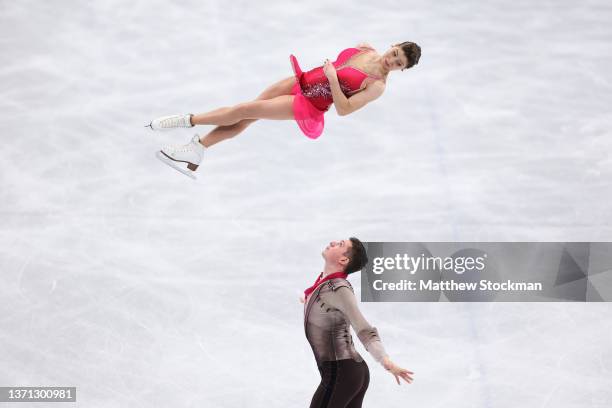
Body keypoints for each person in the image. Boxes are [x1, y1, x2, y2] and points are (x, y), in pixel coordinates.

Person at [147, 42, 421, 178]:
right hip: (301, 80)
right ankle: (196, 152)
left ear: (402, 70)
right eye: (395, 53)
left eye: (398, 63)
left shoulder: (377, 86)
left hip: (308, 102)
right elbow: (337, 64)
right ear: (393, 45)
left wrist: (333, 79)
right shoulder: (365, 48)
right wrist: (327, 73)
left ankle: (187, 120)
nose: (391, 60)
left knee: (243, 109)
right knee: (246, 116)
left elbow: (345, 109)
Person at [303, 237, 414, 408]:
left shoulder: (338, 288)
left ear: (343, 260)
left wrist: (385, 361)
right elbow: (321, 300)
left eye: (340, 245)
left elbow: (363, 327)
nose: (333, 242)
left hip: (341, 373)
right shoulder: (325, 283)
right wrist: (306, 299)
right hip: (347, 373)